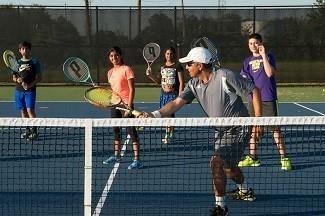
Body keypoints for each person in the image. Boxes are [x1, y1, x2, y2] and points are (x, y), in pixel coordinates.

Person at [140, 47, 263, 216]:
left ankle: (220, 208)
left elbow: (253, 90)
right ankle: (245, 190)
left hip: (238, 127)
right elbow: (176, 103)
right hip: (219, 131)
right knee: (228, 167)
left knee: (216, 162)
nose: (187, 67)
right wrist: (154, 115)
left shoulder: (224, 76)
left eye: (190, 64)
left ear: (200, 65)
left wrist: (258, 122)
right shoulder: (193, 84)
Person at [238, 33, 292, 171]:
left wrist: (263, 56)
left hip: (268, 97)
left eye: (256, 43)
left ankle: (284, 158)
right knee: (254, 129)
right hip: (253, 99)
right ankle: (253, 158)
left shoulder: (269, 56)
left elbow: (269, 73)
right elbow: (245, 81)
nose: (253, 46)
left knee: (275, 130)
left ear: (261, 43)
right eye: (250, 43)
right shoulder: (246, 61)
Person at [102, 46, 143, 170]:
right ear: (109, 58)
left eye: (116, 55)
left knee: (131, 131)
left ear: (120, 55)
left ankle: (137, 160)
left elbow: (132, 89)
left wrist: (129, 106)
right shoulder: (109, 72)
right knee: (116, 130)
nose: (114, 58)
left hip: (126, 105)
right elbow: (114, 90)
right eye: (111, 56)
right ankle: (116, 155)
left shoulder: (127, 69)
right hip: (115, 104)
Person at [146, 47, 185, 144]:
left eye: (171, 53)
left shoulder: (177, 66)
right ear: (165, 55)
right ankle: (170, 133)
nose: (169, 55)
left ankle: (168, 135)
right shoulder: (162, 67)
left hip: (173, 95)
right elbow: (158, 81)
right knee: (164, 115)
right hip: (163, 95)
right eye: (167, 53)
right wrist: (150, 75)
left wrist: (180, 95)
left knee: (169, 115)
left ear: (174, 55)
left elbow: (181, 81)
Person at [13, 41, 41, 141]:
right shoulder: (17, 63)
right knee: (23, 111)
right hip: (19, 91)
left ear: (30, 50)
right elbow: (14, 77)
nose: (25, 50)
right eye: (22, 49)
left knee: (30, 110)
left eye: (27, 48)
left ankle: (34, 132)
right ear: (20, 51)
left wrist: (29, 85)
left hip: (30, 91)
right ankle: (27, 130)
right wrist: (18, 80)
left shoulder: (34, 62)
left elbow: (39, 78)